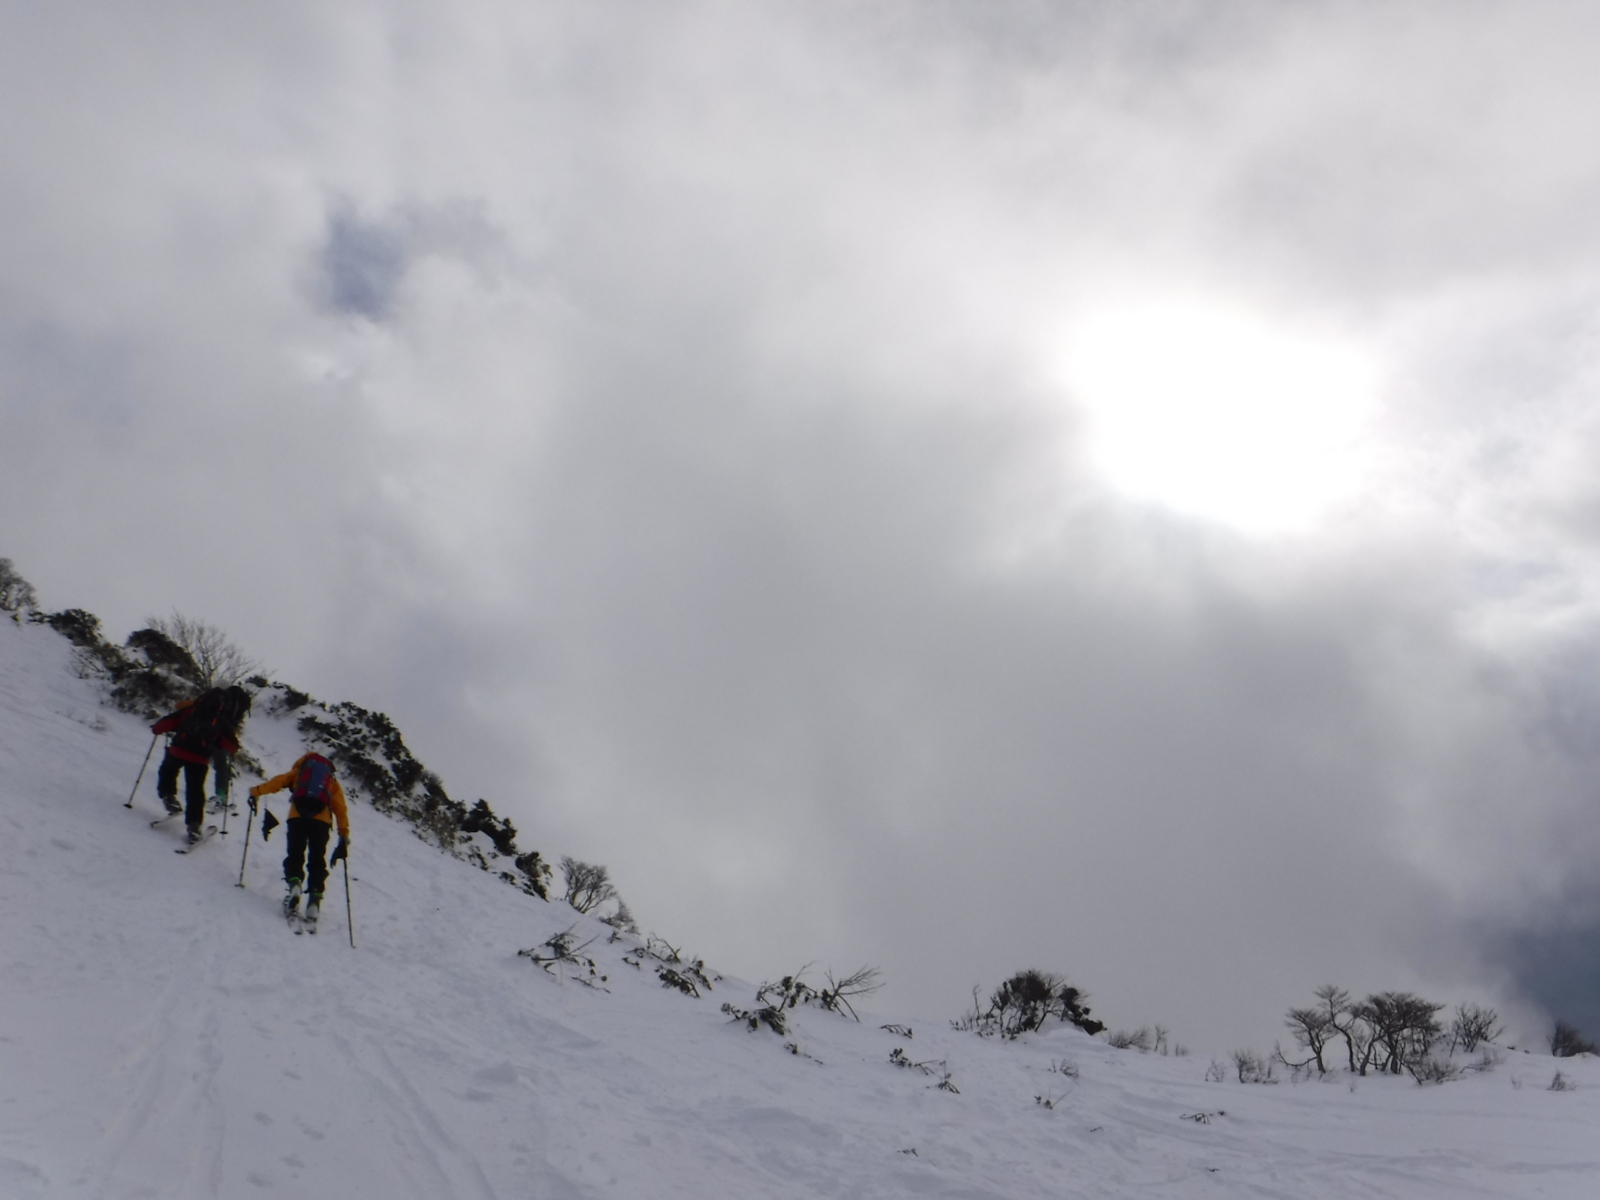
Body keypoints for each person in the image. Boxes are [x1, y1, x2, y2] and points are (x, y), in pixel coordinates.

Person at [249, 752, 350, 927]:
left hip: (297, 818)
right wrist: (344, 834)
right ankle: (314, 901)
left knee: (295, 855)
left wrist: (255, 792)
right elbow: (340, 809)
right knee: (317, 860)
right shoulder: (331, 781)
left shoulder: (299, 773)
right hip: (321, 823)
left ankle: (295, 885)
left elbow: (277, 783)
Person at [151, 685, 250, 843]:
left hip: (177, 749)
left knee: (168, 771)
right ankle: (194, 826)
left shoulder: (192, 709)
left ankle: (168, 796)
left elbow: (168, 722)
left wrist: (156, 730)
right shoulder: (222, 719)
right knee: (195, 791)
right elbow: (230, 745)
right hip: (199, 758)